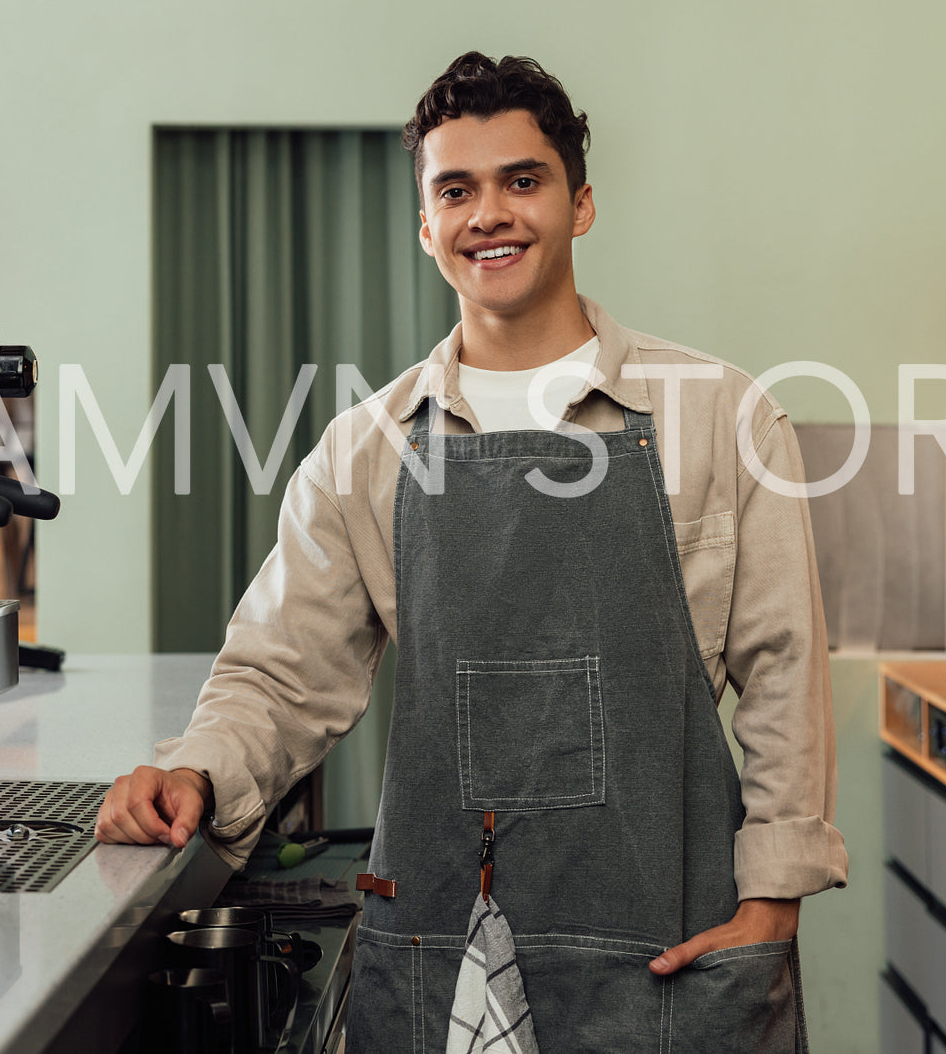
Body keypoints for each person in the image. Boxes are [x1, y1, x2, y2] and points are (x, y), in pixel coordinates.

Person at [96, 52, 847, 1051]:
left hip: (672, 943)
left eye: (519, 181)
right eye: (455, 191)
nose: (486, 213)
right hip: (444, 955)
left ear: (579, 205)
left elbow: (783, 669)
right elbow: (280, 675)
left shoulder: (721, 416)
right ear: (425, 227)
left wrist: (774, 898)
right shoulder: (364, 451)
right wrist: (193, 772)